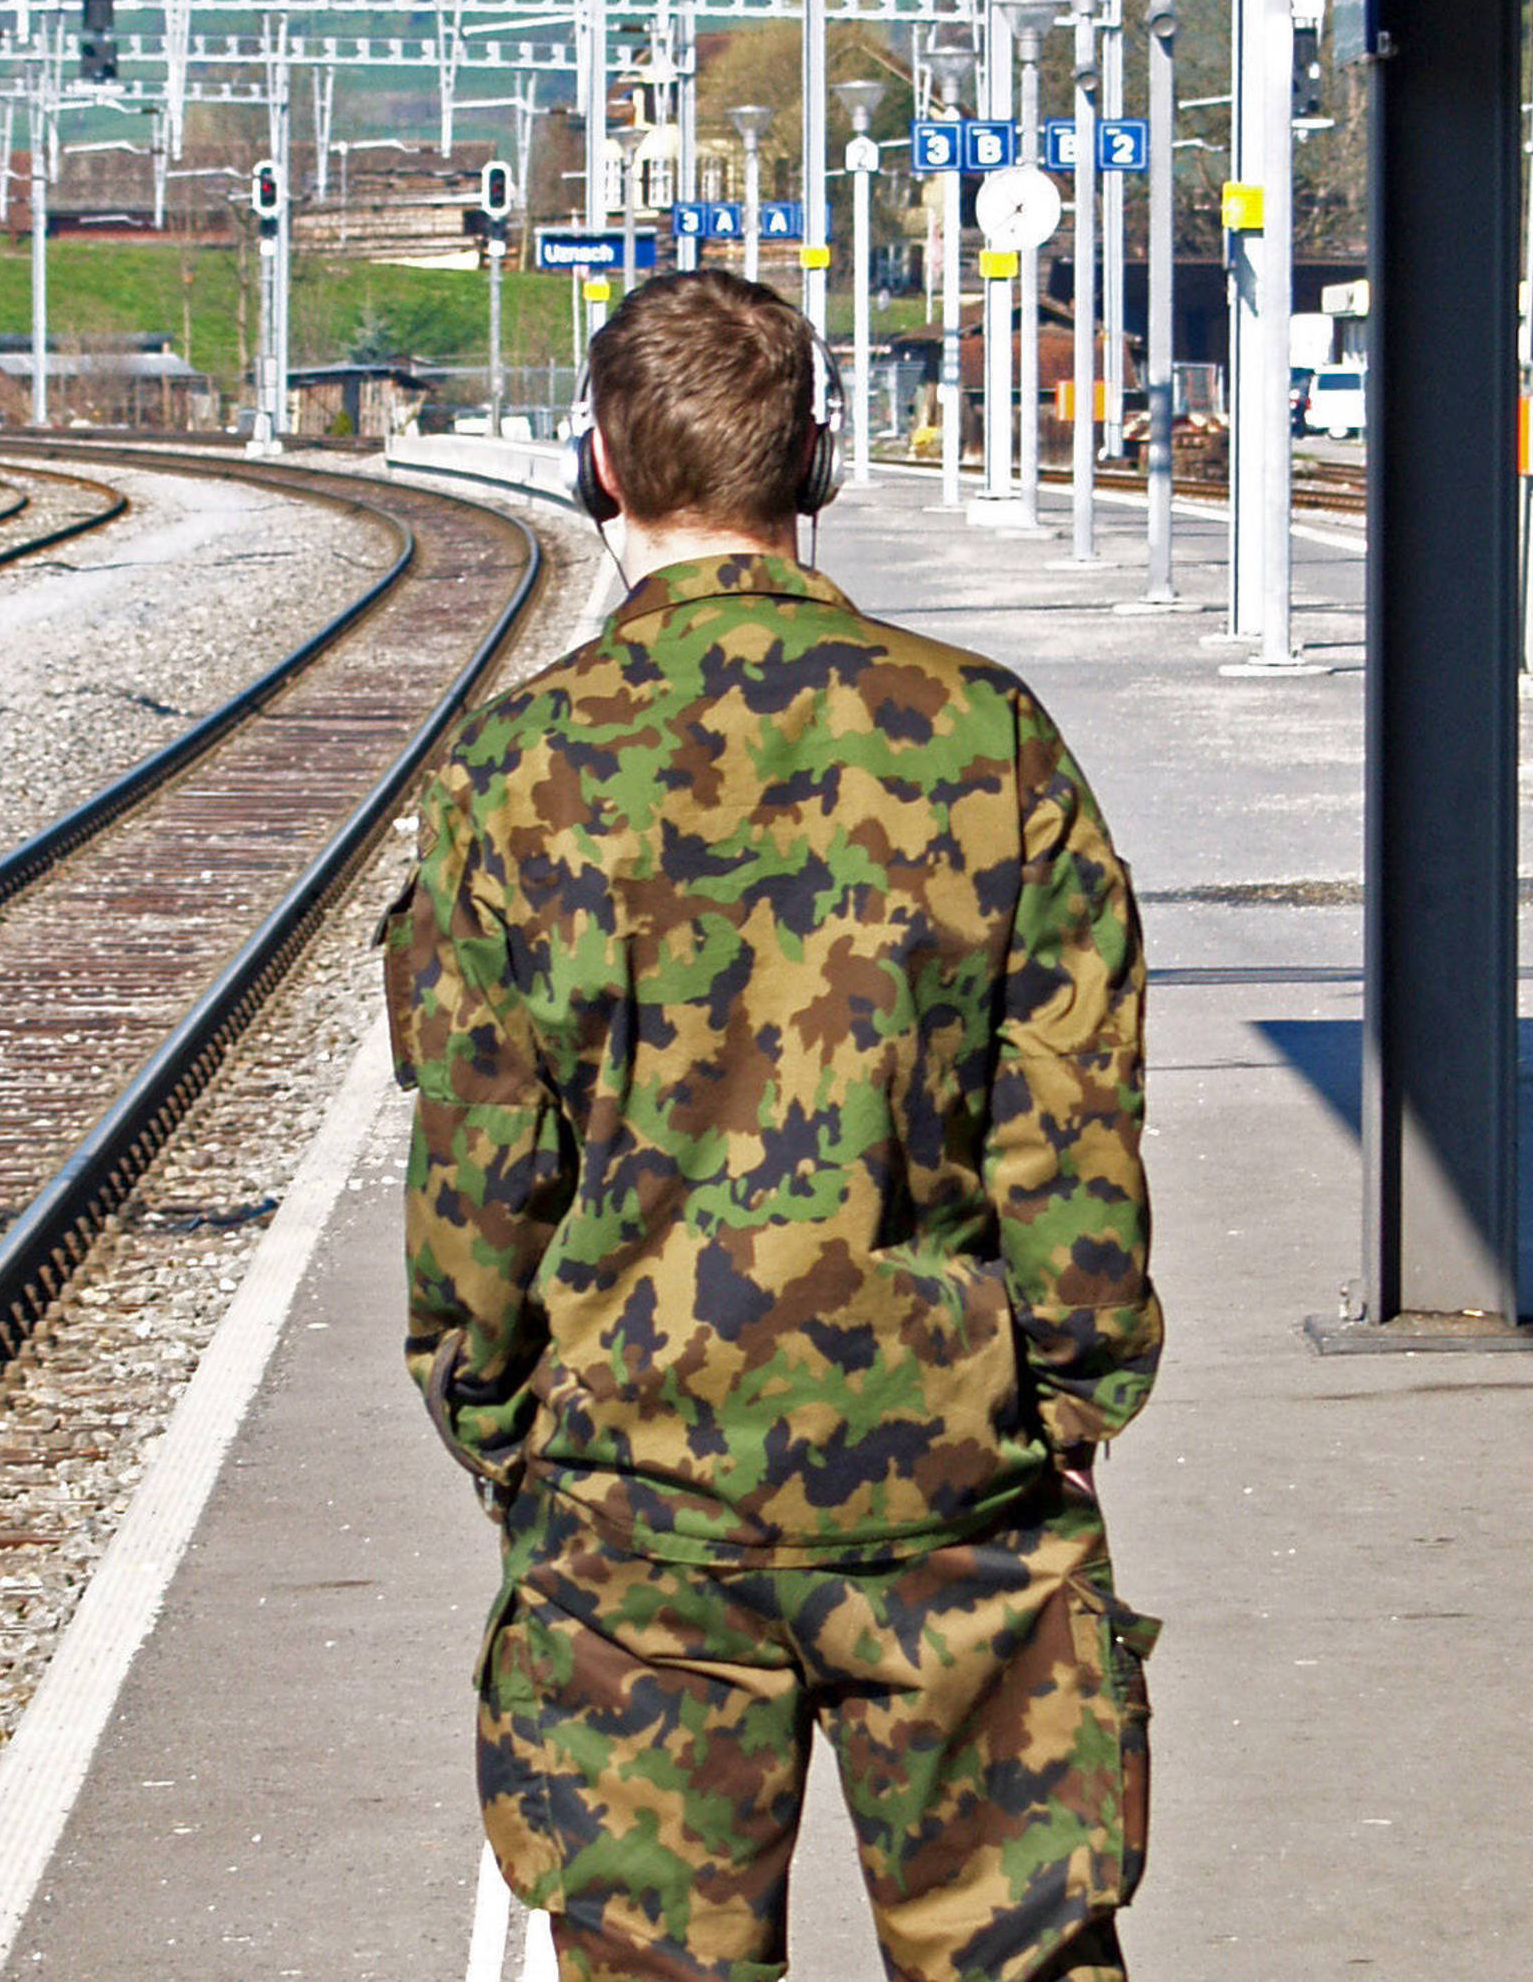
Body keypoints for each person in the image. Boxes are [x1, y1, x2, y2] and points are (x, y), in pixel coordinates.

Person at [382, 268, 1164, 1982]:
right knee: (1017, 1958)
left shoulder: (512, 772)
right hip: (952, 1480)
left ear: (595, 464)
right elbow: (1067, 1113)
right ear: (815, 460)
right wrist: (1074, 1387)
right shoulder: (980, 736)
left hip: (634, 1501)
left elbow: (478, 1169)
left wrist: (503, 1422)